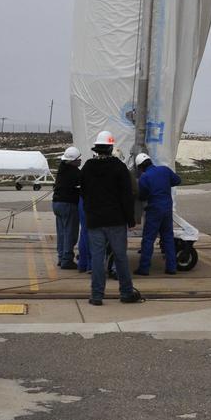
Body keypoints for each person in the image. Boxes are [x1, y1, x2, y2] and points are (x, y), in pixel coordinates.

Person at [79, 131, 143, 306]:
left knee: (97, 258)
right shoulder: (119, 167)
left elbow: (83, 191)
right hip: (116, 220)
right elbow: (127, 196)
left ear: (96, 148)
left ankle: (97, 296)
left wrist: (90, 211)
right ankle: (126, 293)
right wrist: (130, 219)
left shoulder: (88, 167)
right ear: (110, 148)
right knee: (120, 257)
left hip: (95, 221)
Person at [135, 151, 181, 275]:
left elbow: (142, 196)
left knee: (148, 239)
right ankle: (171, 268)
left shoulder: (145, 177)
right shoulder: (165, 170)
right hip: (167, 208)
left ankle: (144, 269)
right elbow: (177, 181)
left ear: (141, 167)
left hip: (154, 210)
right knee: (168, 238)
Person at [51, 145, 81, 269]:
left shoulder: (62, 169)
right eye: (79, 159)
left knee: (62, 232)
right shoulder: (75, 172)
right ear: (73, 161)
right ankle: (67, 259)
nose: (80, 160)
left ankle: (61, 256)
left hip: (57, 204)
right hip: (68, 204)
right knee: (70, 232)